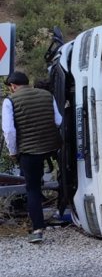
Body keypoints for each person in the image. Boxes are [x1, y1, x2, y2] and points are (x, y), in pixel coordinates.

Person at [2, 71, 62, 243]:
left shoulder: (10, 101)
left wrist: (13, 152)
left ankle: (38, 229)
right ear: (27, 82)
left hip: (29, 151)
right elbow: (58, 121)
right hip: (52, 147)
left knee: (33, 188)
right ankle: (62, 210)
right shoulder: (46, 95)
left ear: (13, 86)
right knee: (63, 177)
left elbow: (9, 130)